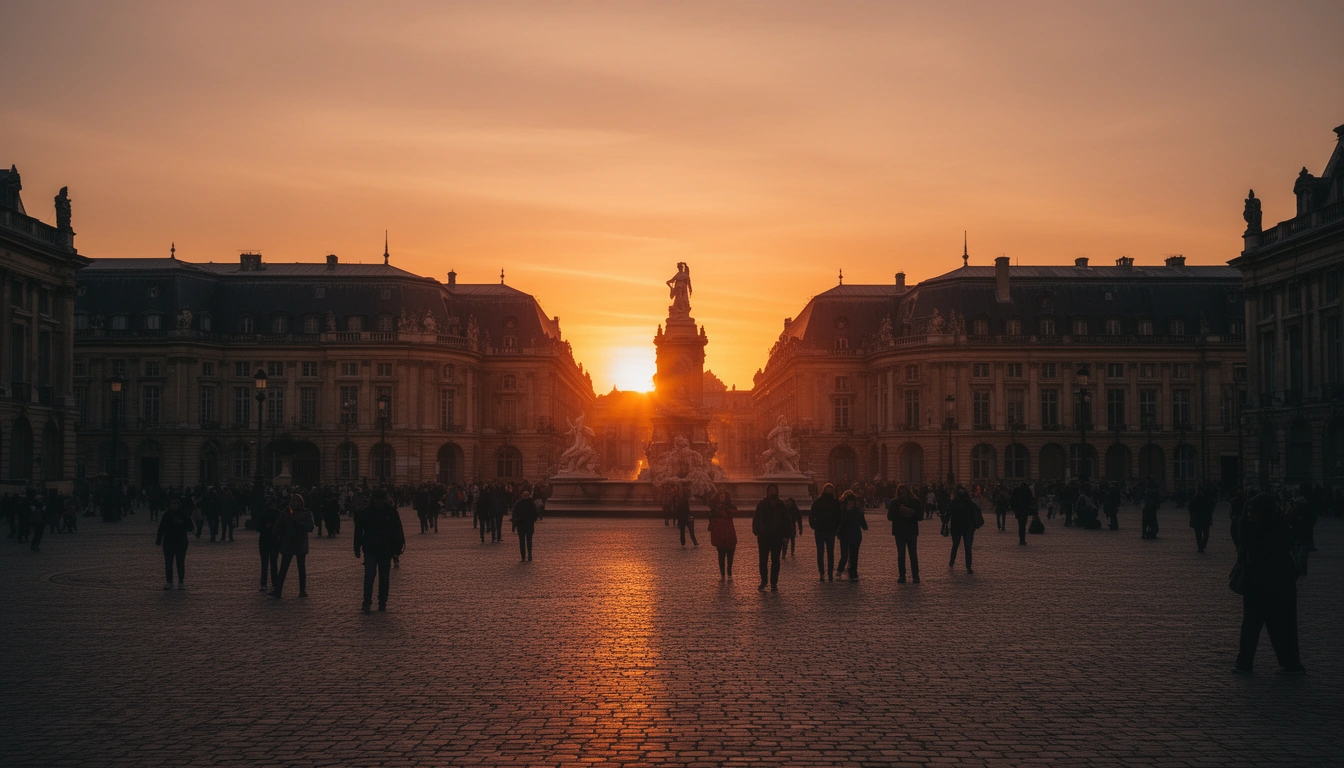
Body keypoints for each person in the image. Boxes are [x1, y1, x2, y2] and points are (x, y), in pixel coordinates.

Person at [1233, 492, 1304, 675]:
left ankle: (1288, 664)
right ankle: (1247, 663)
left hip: (1271, 585)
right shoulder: (1276, 526)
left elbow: (1249, 544)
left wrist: (1244, 525)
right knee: (1255, 627)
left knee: (1277, 627)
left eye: (1253, 512)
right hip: (1268, 585)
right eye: (1248, 512)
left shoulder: (1267, 531)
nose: (1249, 515)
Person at [354, 488, 406, 612]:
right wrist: (356, 547)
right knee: (370, 575)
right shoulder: (366, 512)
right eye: (377, 500)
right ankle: (367, 602)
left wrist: (398, 547)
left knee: (384, 577)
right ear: (374, 500)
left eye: (381, 500)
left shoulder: (391, 512)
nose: (379, 502)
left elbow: (398, 530)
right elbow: (358, 531)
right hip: (370, 549)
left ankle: (382, 601)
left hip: (385, 549)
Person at [271, 494, 314, 598]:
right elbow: (278, 525)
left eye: (297, 501)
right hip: (288, 543)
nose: (294, 503)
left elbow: (310, 527)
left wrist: (299, 523)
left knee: (301, 568)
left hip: (300, 543)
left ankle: (302, 590)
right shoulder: (285, 513)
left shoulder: (306, 513)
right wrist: (276, 534)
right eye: (293, 501)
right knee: (283, 568)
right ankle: (278, 590)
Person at [752, 484, 789, 591]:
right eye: (771, 490)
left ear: (777, 492)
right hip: (764, 535)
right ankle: (764, 581)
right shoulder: (762, 504)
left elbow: (785, 520)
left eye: (774, 490)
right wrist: (756, 530)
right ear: (767, 492)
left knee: (775, 560)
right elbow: (756, 517)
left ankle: (773, 582)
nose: (772, 492)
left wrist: (786, 535)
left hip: (777, 535)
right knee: (763, 560)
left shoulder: (781, 504)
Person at [155, 499, 193, 590]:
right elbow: (161, 528)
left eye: (175, 503)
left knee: (180, 562)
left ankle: (181, 582)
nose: (173, 505)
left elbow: (191, 527)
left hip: (181, 542)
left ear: (178, 505)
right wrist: (158, 539)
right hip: (168, 542)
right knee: (168, 563)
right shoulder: (167, 515)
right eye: (171, 504)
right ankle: (169, 582)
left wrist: (182, 524)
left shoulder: (184, 514)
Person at [888, 484, 921, 584]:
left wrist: (910, 512)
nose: (902, 494)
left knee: (910, 554)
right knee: (904, 555)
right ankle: (905, 576)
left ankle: (912, 575)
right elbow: (890, 516)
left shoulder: (914, 502)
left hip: (908, 532)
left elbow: (920, 516)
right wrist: (900, 512)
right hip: (902, 532)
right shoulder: (895, 503)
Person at [808, 484, 841, 581]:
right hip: (820, 530)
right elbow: (812, 513)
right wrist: (813, 525)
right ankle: (822, 572)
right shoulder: (818, 501)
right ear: (824, 489)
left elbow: (839, 515)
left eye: (830, 488)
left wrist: (837, 527)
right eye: (827, 488)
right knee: (820, 552)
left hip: (830, 530)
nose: (829, 490)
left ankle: (830, 573)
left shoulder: (835, 502)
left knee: (830, 553)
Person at [945, 487, 980, 573]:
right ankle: (968, 566)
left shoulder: (953, 503)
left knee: (955, 546)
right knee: (967, 547)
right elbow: (977, 513)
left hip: (956, 528)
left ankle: (952, 562)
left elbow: (947, 515)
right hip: (967, 528)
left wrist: (944, 523)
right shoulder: (970, 503)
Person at [835, 490, 869, 580]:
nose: (850, 504)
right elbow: (839, 523)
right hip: (845, 537)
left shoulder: (859, 512)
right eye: (848, 503)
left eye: (852, 503)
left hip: (855, 537)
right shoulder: (842, 512)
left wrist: (864, 526)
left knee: (854, 556)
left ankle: (853, 573)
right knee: (844, 556)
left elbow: (864, 524)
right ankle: (840, 570)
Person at [707, 490, 738, 579]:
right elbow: (711, 518)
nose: (722, 498)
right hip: (720, 534)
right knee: (721, 554)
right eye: (721, 496)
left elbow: (735, 512)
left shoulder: (730, 507)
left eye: (724, 497)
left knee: (730, 554)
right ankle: (722, 573)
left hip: (729, 533)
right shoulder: (714, 509)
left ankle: (729, 571)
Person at [254, 499, 280, 593]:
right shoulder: (276, 514)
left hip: (267, 540)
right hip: (270, 540)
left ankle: (266, 584)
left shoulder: (266, 513)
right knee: (271, 563)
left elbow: (258, 527)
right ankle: (270, 583)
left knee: (268, 563)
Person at [511, 490, 538, 562]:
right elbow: (535, 514)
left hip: (521, 524)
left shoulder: (519, 503)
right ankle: (529, 554)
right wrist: (532, 520)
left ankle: (523, 556)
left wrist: (514, 525)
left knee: (522, 541)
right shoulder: (531, 503)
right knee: (529, 540)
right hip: (529, 524)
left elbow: (514, 514)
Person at [1188, 487, 1215, 553]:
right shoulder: (1207, 499)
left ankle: (1200, 547)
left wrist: (1192, 514)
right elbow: (1212, 506)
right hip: (1205, 519)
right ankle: (1202, 545)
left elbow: (1190, 508)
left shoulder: (1195, 499)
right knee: (1205, 534)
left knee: (1199, 534)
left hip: (1198, 519)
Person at [1010, 481, 1035, 546]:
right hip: (1025, 509)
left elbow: (1012, 499)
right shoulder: (1027, 490)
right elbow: (1031, 499)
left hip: (1018, 510)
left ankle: (1021, 539)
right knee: (1023, 525)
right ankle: (1023, 540)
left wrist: (1014, 508)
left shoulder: (1016, 490)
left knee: (1020, 525)